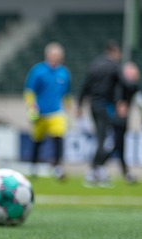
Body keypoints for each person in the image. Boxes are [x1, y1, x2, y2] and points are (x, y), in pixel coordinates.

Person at [93, 61, 142, 184]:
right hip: (115, 119)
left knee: (120, 147)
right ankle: (97, 166)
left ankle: (124, 173)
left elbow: (139, 101)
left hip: (122, 120)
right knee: (117, 146)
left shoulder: (132, 86)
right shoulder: (119, 85)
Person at [23, 42, 72, 180]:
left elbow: (66, 94)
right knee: (37, 141)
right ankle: (34, 166)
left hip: (57, 112)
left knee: (58, 138)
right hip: (40, 112)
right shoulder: (38, 71)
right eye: (54, 55)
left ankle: (57, 167)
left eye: (59, 56)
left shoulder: (64, 73)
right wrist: (31, 106)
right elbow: (29, 91)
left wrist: (69, 107)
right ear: (48, 55)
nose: (56, 58)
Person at [77, 41, 122, 187]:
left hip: (93, 106)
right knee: (104, 139)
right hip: (104, 106)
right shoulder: (114, 66)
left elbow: (85, 85)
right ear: (114, 51)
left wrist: (79, 104)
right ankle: (94, 170)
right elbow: (124, 84)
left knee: (102, 138)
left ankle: (97, 169)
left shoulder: (95, 65)